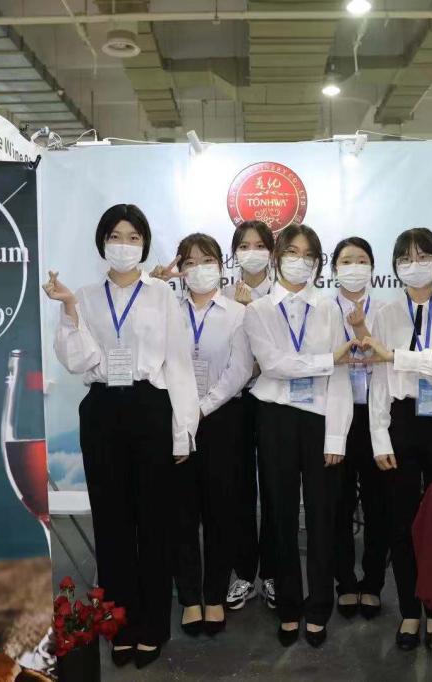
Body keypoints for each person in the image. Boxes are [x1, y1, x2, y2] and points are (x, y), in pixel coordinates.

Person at [43, 204, 199, 670]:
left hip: (150, 407)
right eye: (116, 235)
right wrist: (70, 309)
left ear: (144, 244)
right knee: (111, 524)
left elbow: (179, 365)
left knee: (153, 523)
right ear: (102, 242)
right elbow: (78, 359)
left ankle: (152, 625)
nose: (124, 245)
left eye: (134, 237)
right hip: (102, 409)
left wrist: (182, 432)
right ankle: (119, 624)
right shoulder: (86, 296)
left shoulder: (162, 295)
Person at [242, 223, 355, 648]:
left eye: (309, 255)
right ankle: (289, 606)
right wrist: (327, 359)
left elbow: (341, 376)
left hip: (319, 419)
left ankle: (319, 606)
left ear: (317, 263)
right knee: (280, 515)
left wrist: (336, 438)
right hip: (275, 417)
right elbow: (272, 365)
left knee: (323, 516)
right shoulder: (258, 310)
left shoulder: (328, 308)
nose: (300, 261)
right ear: (277, 257)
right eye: (292, 252)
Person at [362, 228, 432, 651]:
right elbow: (379, 380)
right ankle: (410, 609)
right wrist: (379, 436)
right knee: (402, 519)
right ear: (395, 267)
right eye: (405, 259)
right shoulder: (387, 313)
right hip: (402, 419)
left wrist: (394, 355)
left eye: (423, 256)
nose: (415, 265)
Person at [171, 233, 253, 638]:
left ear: (221, 266)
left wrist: (202, 408)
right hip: (177, 418)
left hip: (222, 419)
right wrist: (187, 412)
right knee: (181, 511)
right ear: (180, 270)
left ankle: (215, 593)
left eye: (207, 261)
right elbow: (165, 365)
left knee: (222, 510)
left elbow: (241, 369)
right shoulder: (169, 311)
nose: (199, 269)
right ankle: (190, 597)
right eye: (189, 262)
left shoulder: (237, 313)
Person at [328, 237, 389, 622]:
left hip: (376, 417)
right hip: (336, 416)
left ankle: (374, 582)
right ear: (334, 268)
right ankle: (345, 582)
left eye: (361, 260)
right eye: (346, 261)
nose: (354, 267)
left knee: (379, 504)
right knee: (338, 504)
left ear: (372, 268)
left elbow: (390, 357)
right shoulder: (322, 309)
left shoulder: (386, 308)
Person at [223, 220, 278, 612]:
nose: (252, 252)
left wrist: (251, 313)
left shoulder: (284, 293)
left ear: (272, 253)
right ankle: (243, 573)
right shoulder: (222, 294)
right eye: (244, 245)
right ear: (234, 254)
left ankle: (273, 573)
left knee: (276, 487)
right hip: (236, 402)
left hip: (274, 400)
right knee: (239, 488)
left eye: (260, 245)